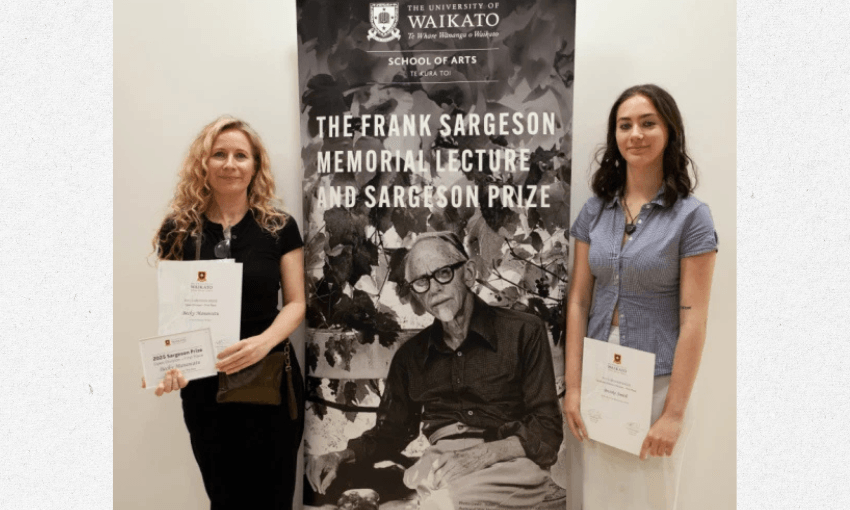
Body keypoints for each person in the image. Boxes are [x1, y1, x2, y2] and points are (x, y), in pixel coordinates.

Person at [307, 232, 563, 510]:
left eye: (443, 273)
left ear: (468, 273)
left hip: (507, 465)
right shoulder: (411, 356)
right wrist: (340, 456)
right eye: (421, 281)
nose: (433, 289)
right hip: (439, 470)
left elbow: (547, 431)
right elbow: (389, 434)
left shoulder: (524, 331)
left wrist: (481, 455)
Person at [563, 84, 718, 509]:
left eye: (648, 123)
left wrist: (672, 414)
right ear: (615, 136)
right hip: (599, 373)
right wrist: (573, 388)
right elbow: (577, 302)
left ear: (669, 131)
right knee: (600, 494)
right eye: (625, 125)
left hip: (658, 378)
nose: (636, 134)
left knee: (649, 496)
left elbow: (695, 321)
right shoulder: (595, 211)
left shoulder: (692, 217)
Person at [147, 115, 306, 509]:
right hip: (205, 390)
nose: (230, 164)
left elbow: (297, 302)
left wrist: (262, 343)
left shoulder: (279, 227)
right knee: (225, 499)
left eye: (240, 155)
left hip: (270, 381)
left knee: (273, 498)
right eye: (219, 154)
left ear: (255, 165)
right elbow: (174, 312)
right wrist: (169, 363)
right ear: (204, 163)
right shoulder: (178, 230)